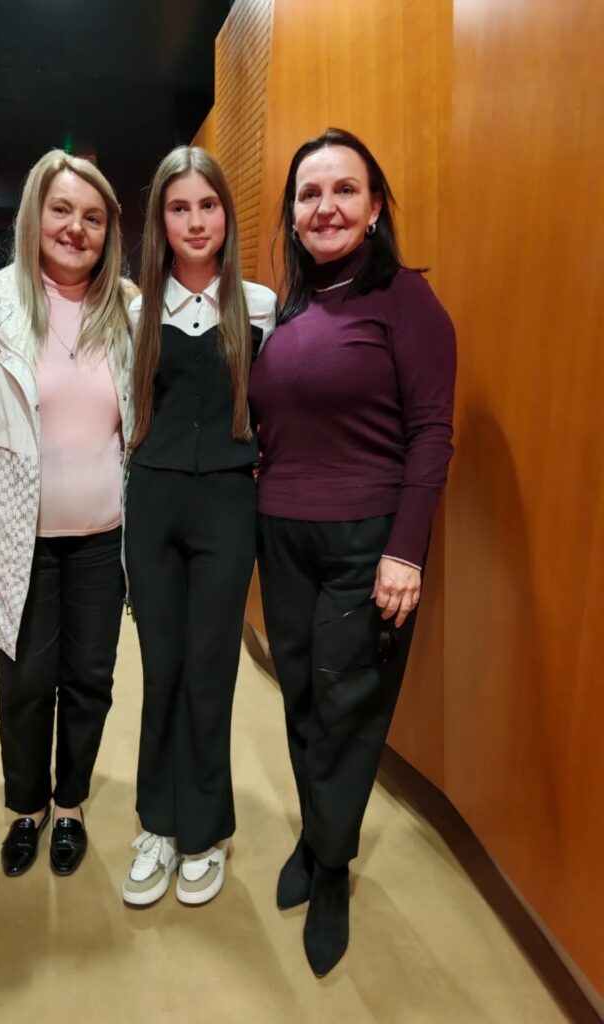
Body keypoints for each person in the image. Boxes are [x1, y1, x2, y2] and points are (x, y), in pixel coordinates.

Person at [249, 128, 456, 975]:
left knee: (347, 710)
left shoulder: (407, 301)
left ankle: (331, 868)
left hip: (366, 546)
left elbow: (432, 433)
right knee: (301, 700)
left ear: (374, 208)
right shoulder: (290, 311)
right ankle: (317, 837)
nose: (325, 206)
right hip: (281, 537)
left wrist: (406, 551)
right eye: (309, 194)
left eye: (344, 190)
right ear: (293, 215)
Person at [0, 150, 132, 878]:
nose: (76, 228)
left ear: (109, 232)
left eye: (93, 217)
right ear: (34, 215)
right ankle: (27, 807)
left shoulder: (130, 312)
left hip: (105, 542)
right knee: (24, 683)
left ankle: (70, 804)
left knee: (91, 680)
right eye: (62, 209)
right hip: (18, 543)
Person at [121, 146, 276, 907]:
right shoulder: (133, 310)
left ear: (225, 214)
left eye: (206, 205)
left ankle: (203, 831)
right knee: (162, 669)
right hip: (152, 503)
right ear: (161, 220)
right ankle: (157, 821)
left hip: (226, 505)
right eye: (178, 207)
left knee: (211, 671)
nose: (194, 221)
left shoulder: (260, 305)